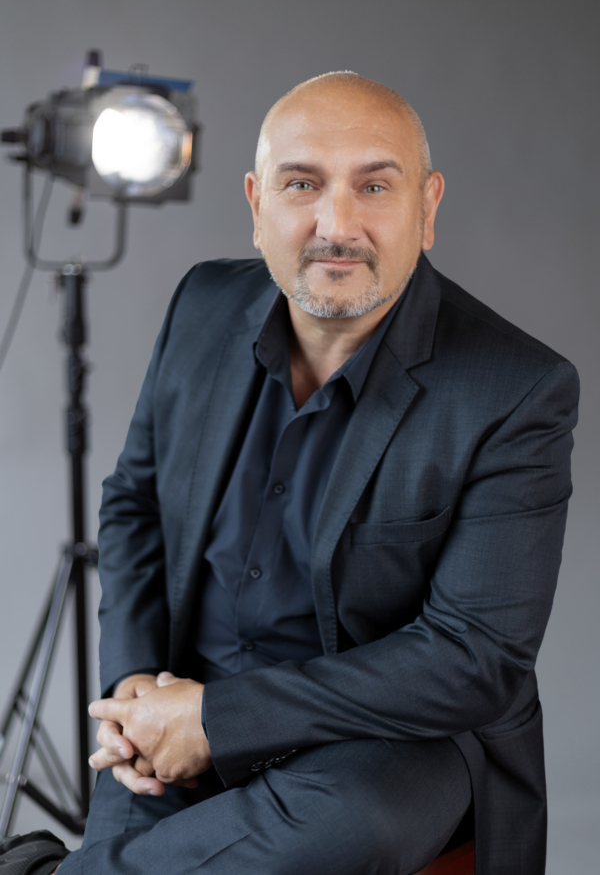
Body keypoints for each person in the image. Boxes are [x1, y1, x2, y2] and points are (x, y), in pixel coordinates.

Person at [1, 72, 578, 875]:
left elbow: (473, 659)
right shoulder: (201, 303)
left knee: (355, 823)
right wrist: (136, 691)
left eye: (374, 186)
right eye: (302, 184)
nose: (336, 225)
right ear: (255, 202)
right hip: (179, 697)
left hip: (380, 743)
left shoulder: (514, 387)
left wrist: (219, 720)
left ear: (427, 207)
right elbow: (135, 505)